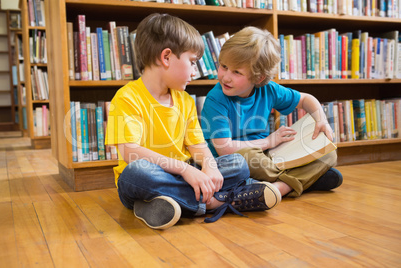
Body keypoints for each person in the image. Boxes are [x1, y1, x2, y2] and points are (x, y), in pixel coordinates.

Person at [105, 14, 282, 230]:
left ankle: (161, 204)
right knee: (136, 173)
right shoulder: (127, 98)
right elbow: (130, 152)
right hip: (150, 177)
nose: (195, 71)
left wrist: (209, 167)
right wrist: (185, 171)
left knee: (238, 164)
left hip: (186, 172)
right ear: (166, 57)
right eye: (192, 62)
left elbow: (197, 146)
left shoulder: (185, 100)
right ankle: (217, 202)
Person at [201, 26, 343, 198]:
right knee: (245, 160)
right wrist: (268, 141)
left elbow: (306, 100)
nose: (225, 77)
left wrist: (322, 121)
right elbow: (225, 148)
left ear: (258, 78)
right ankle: (300, 181)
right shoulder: (216, 99)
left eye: (236, 72)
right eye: (223, 66)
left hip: (269, 154)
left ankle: (278, 186)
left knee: (328, 153)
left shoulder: (269, 89)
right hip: (232, 160)